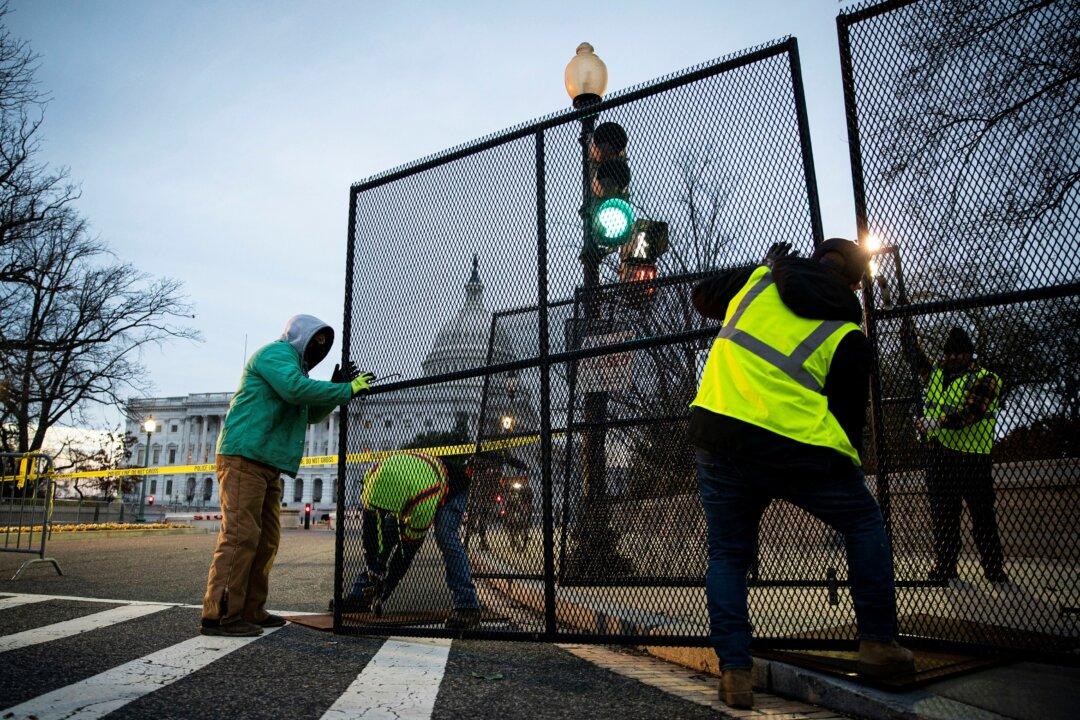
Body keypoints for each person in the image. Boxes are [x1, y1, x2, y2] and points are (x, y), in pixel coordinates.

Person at [689, 238, 914, 709]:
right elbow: (849, 422)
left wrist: (764, 265)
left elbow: (702, 295)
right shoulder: (849, 333)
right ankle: (877, 643)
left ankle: (735, 672)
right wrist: (840, 467)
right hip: (795, 447)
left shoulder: (759, 280)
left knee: (728, 553)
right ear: (854, 283)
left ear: (814, 262)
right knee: (863, 521)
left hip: (720, 430)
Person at [201, 314, 371, 637]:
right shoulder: (275, 355)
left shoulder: (296, 371)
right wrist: (345, 389)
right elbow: (294, 391)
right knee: (240, 535)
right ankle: (220, 613)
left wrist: (336, 390)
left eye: (323, 345)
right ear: (300, 337)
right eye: (315, 342)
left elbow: (309, 414)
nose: (318, 350)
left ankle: (251, 608)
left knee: (266, 539)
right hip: (244, 455)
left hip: (266, 462)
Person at [901, 323, 1007, 585]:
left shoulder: (986, 378)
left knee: (982, 516)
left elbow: (974, 412)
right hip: (940, 455)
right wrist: (905, 322)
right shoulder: (937, 373)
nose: (953, 359)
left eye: (959, 354)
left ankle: (994, 569)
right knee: (944, 516)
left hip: (972, 457)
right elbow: (913, 355)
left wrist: (936, 423)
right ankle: (946, 567)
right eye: (949, 354)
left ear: (970, 354)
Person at [340, 451, 450, 617]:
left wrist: (385, 590)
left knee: (415, 548)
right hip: (407, 486)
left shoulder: (425, 501)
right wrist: (373, 566)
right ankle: (359, 597)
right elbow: (370, 536)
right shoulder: (371, 482)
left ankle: (381, 595)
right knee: (381, 547)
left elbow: (405, 553)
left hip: (444, 489)